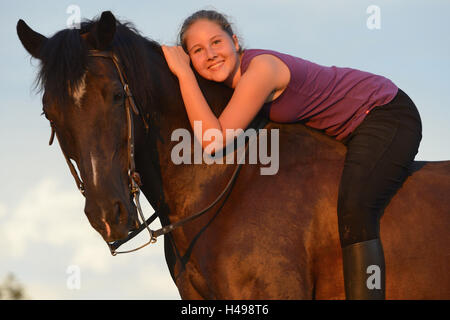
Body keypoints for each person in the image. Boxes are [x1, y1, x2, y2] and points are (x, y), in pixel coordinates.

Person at [161, 9, 422, 300]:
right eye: (197, 50)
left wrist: (183, 73)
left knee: (355, 207)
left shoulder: (261, 69)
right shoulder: (231, 88)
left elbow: (213, 140)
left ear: (234, 41)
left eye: (216, 42)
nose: (210, 54)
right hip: (348, 131)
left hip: (384, 112)